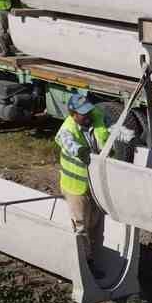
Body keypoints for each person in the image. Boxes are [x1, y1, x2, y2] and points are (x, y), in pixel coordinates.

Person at [55, 91, 111, 260]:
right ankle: (84, 264)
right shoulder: (67, 130)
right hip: (76, 189)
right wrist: (80, 150)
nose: (88, 116)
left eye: (89, 111)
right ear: (73, 114)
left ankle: (95, 258)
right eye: (83, 113)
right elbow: (67, 142)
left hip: (95, 187)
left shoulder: (96, 121)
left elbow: (109, 136)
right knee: (80, 227)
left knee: (96, 226)